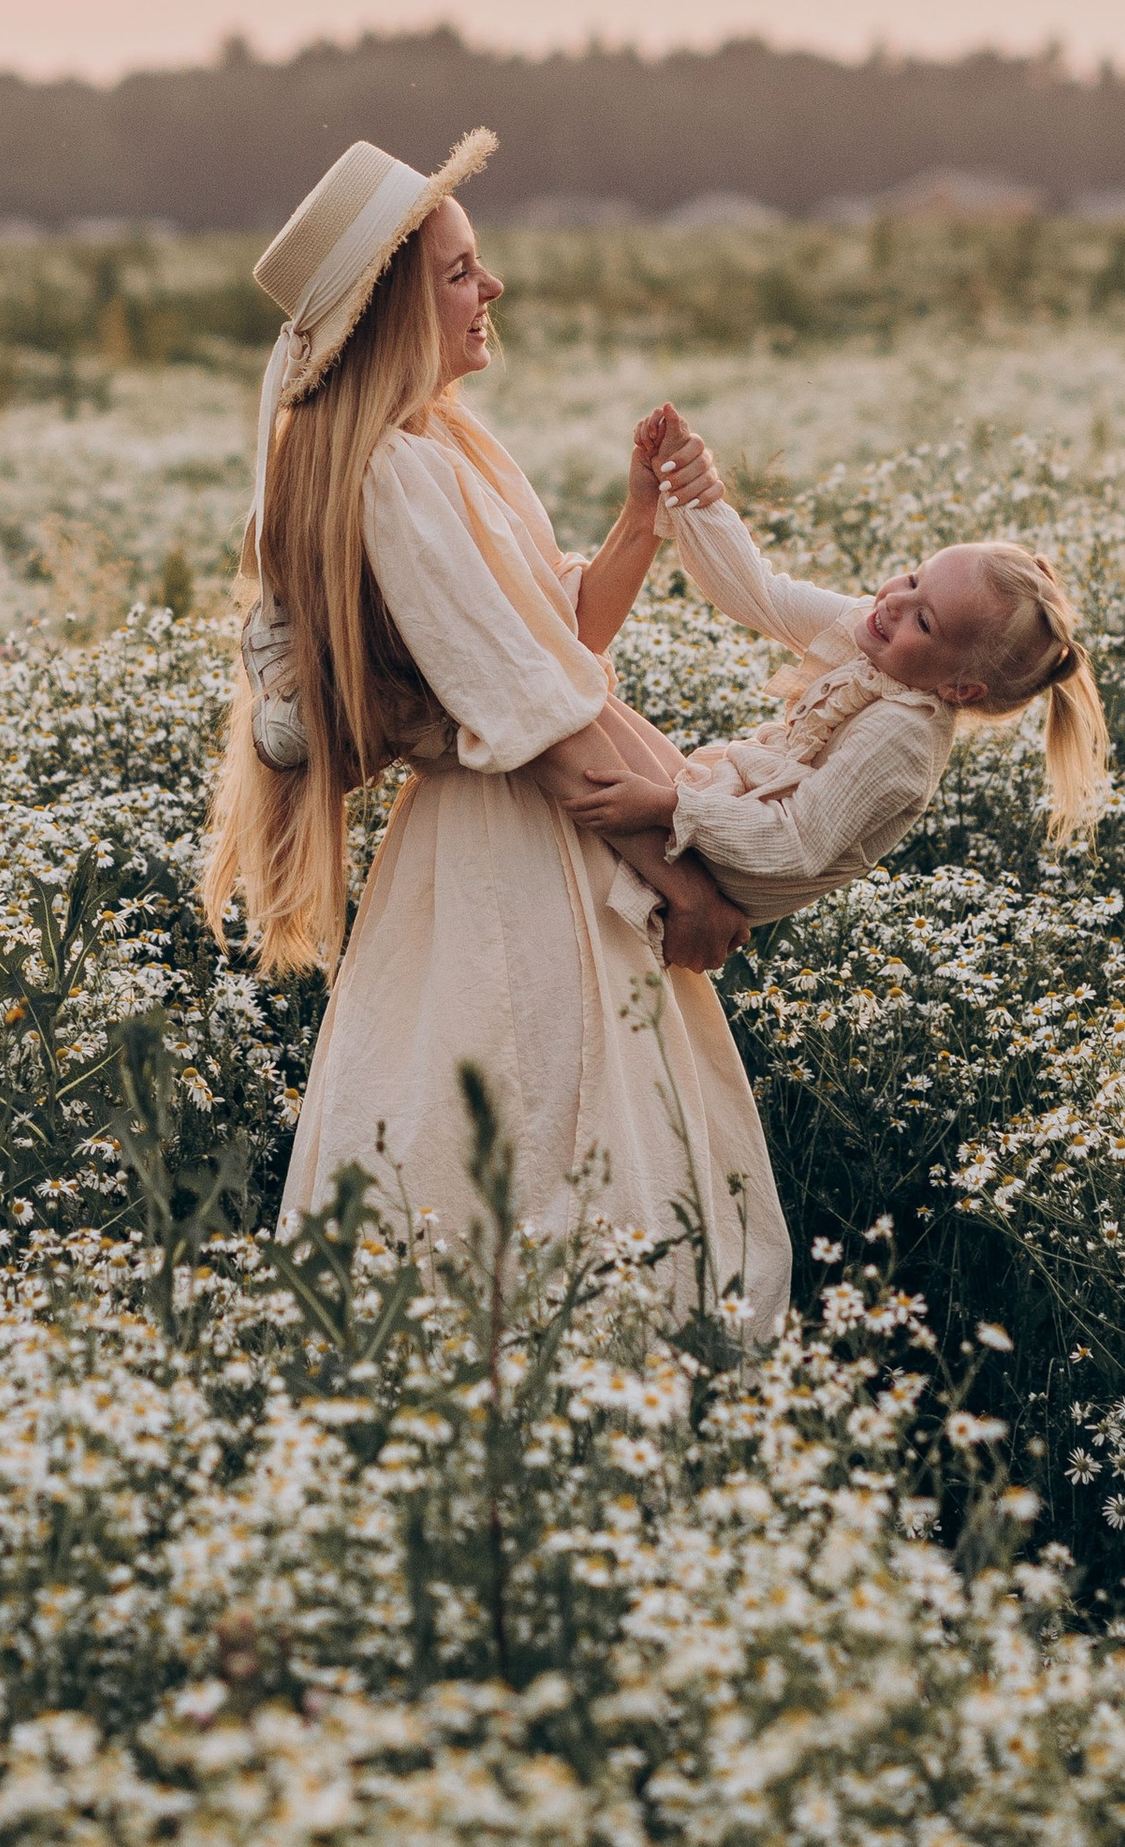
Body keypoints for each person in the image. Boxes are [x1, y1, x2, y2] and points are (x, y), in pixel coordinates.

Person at [203, 132, 791, 1328]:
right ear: (393, 312)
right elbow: (532, 717)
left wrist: (637, 522)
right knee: (534, 1139)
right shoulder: (388, 476)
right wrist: (681, 881)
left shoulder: (448, 444)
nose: (493, 287)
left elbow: (558, 638)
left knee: (566, 1141)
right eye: (461, 271)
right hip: (506, 854)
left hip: (534, 830)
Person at [561, 416, 1110, 920]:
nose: (895, 602)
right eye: (914, 579)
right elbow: (759, 593)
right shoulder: (878, 636)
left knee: (559, 708)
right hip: (718, 808)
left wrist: (666, 806)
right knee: (561, 693)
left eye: (925, 621)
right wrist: (687, 493)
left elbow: (793, 846)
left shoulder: (905, 736)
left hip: (734, 870)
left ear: (959, 687)